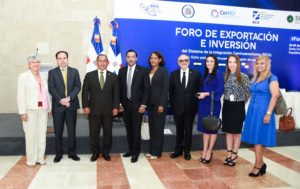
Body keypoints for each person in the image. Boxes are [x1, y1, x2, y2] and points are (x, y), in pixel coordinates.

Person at [242, 55, 279, 177]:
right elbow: (253, 93)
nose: (259, 66)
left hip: (263, 111)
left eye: (262, 63)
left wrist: (268, 113)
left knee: (258, 139)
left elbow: (275, 96)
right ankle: (260, 163)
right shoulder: (256, 77)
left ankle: (258, 165)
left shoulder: (272, 78)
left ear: (267, 64)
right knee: (255, 139)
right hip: (254, 110)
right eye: (257, 63)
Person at [82, 54, 120, 162]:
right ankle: (95, 152)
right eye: (100, 61)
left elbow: (116, 94)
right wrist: (85, 106)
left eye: (104, 61)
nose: (102, 63)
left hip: (109, 110)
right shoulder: (89, 76)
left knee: (108, 132)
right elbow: (85, 92)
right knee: (94, 132)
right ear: (96, 62)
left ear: (107, 63)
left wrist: (116, 107)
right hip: (93, 110)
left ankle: (106, 152)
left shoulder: (113, 77)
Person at [17, 55, 51, 167]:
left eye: (37, 62)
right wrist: (22, 112)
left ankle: (40, 158)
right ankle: (31, 159)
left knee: (41, 134)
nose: (36, 64)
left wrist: (49, 108)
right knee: (31, 135)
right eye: (33, 62)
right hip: (30, 110)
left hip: (43, 109)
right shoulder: (23, 76)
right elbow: (20, 95)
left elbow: (47, 93)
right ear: (29, 65)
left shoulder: (44, 75)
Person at [48, 51, 81, 163]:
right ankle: (59, 154)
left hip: (71, 105)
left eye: (64, 58)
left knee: (72, 131)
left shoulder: (74, 71)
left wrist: (69, 98)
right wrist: (61, 100)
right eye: (60, 58)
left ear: (67, 59)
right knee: (58, 131)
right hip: (58, 106)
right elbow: (51, 88)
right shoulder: (52, 73)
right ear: (57, 60)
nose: (62, 60)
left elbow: (78, 86)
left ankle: (72, 153)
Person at [118, 49, 150, 163]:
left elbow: (147, 90)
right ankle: (131, 150)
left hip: (138, 106)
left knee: (136, 130)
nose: (131, 59)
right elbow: (120, 89)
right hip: (125, 106)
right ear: (126, 59)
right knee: (129, 129)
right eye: (128, 57)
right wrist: (120, 103)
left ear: (136, 58)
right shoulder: (121, 71)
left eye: (133, 57)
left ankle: (136, 153)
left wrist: (143, 105)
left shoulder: (143, 70)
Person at [169, 54, 201, 160]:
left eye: (186, 60)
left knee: (188, 131)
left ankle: (187, 151)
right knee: (179, 130)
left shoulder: (196, 74)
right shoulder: (173, 74)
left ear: (189, 61)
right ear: (178, 62)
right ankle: (178, 151)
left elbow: (198, 91)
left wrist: (196, 108)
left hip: (190, 108)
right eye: (181, 60)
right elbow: (171, 92)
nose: (184, 62)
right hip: (177, 109)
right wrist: (173, 107)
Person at [222, 54, 250, 166]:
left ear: (238, 64)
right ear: (227, 64)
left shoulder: (243, 77)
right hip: (227, 106)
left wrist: (240, 101)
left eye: (234, 62)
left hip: (238, 106)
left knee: (237, 132)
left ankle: (234, 154)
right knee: (228, 131)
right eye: (230, 62)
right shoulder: (225, 77)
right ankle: (228, 154)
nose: (232, 64)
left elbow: (248, 93)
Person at [197, 54, 224, 164]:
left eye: (211, 61)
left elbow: (220, 90)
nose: (209, 63)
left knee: (212, 128)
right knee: (205, 129)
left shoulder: (218, 74)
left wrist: (206, 94)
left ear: (215, 63)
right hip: (203, 104)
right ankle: (204, 151)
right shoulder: (205, 74)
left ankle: (209, 151)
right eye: (207, 61)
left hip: (213, 105)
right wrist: (200, 95)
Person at [146, 51, 169, 160]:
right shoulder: (148, 71)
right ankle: (151, 150)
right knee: (152, 127)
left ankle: (157, 152)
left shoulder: (163, 71)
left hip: (159, 104)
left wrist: (162, 104)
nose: (153, 60)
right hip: (150, 104)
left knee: (158, 128)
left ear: (160, 60)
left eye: (155, 58)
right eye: (151, 58)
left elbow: (165, 89)